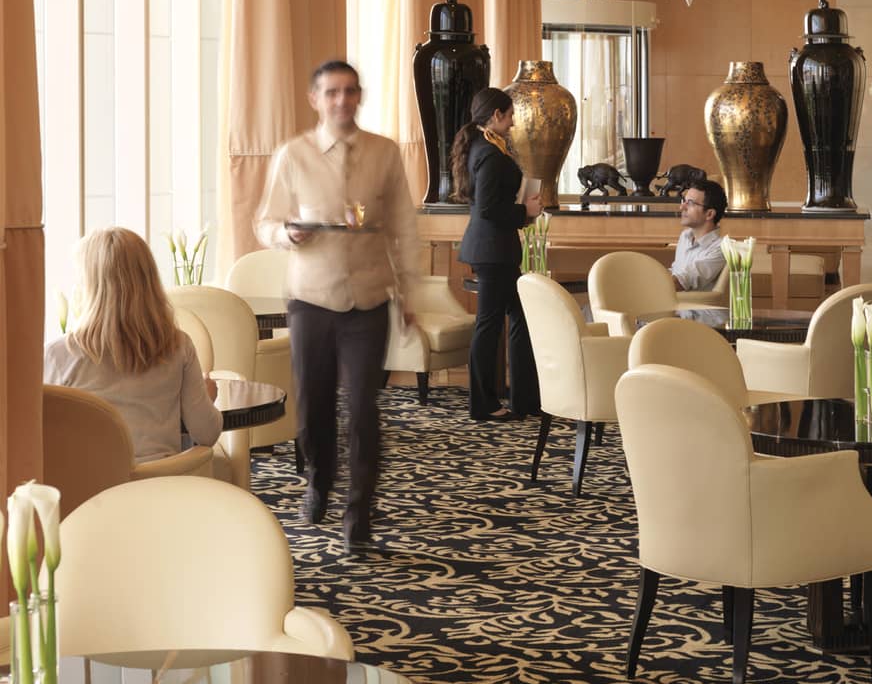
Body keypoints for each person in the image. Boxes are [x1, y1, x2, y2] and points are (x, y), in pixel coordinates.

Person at [253, 59, 420, 546]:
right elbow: (264, 222)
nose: (342, 100)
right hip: (311, 298)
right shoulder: (293, 155)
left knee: (364, 407)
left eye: (349, 91)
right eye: (332, 92)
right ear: (316, 99)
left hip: (368, 298)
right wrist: (286, 234)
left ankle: (358, 513)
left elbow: (404, 228)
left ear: (359, 96)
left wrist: (409, 293)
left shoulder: (384, 153)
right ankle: (318, 481)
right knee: (314, 405)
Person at [44, 228, 223, 463]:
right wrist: (207, 397)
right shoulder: (179, 346)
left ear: (88, 286)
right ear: (150, 280)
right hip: (162, 481)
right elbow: (207, 434)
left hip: (90, 483)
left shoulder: (58, 355)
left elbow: (41, 436)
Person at [453, 86, 543, 421]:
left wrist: (523, 210)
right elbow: (489, 208)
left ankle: (525, 400)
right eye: (510, 116)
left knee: (518, 317)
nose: (513, 122)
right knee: (490, 325)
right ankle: (484, 403)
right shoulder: (489, 153)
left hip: (495, 249)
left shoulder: (485, 146)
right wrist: (524, 211)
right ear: (496, 115)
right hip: (492, 250)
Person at [671, 178, 728, 291]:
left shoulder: (721, 248)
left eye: (690, 203)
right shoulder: (685, 236)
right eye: (684, 201)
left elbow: (681, 282)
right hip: (674, 301)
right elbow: (676, 272)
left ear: (709, 214)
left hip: (693, 303)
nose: (682, 207)